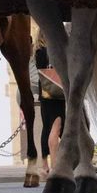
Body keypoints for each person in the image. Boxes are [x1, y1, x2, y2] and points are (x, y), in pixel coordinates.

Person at [36, 34, 66, 178]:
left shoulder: (38, 50)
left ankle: (44, 166)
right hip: (57, 93)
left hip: (45, 94)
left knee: (47, 128)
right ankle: (55, 166)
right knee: (56, 128)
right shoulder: (53, 50)